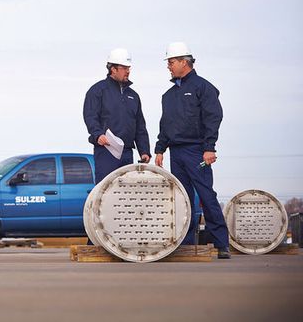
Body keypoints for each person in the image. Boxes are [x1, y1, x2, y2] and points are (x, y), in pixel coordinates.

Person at [154, 41, 230, 259]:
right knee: (182, 199)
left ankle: (221, 244)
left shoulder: (203, 88)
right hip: (176, 153)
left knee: (206, 194)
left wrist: (209, 147)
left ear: (183, 62)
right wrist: (160, 149)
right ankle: (186, 243)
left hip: (197, 152)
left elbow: (213, 118)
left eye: (171, 62)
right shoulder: (168, 96)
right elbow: (165, 124)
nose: (168, 66)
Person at [83, 48, 151, 185]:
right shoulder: (98, 90)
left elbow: (140, 126)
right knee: (106, 190)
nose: (128, 71)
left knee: (126, 192)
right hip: (106, 151)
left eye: (129, 68)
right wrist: (98, 134)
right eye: (124, 68)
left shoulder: (133, 96)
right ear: (113, 69)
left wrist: (144, 151)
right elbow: (90, 116)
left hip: (127, 153)